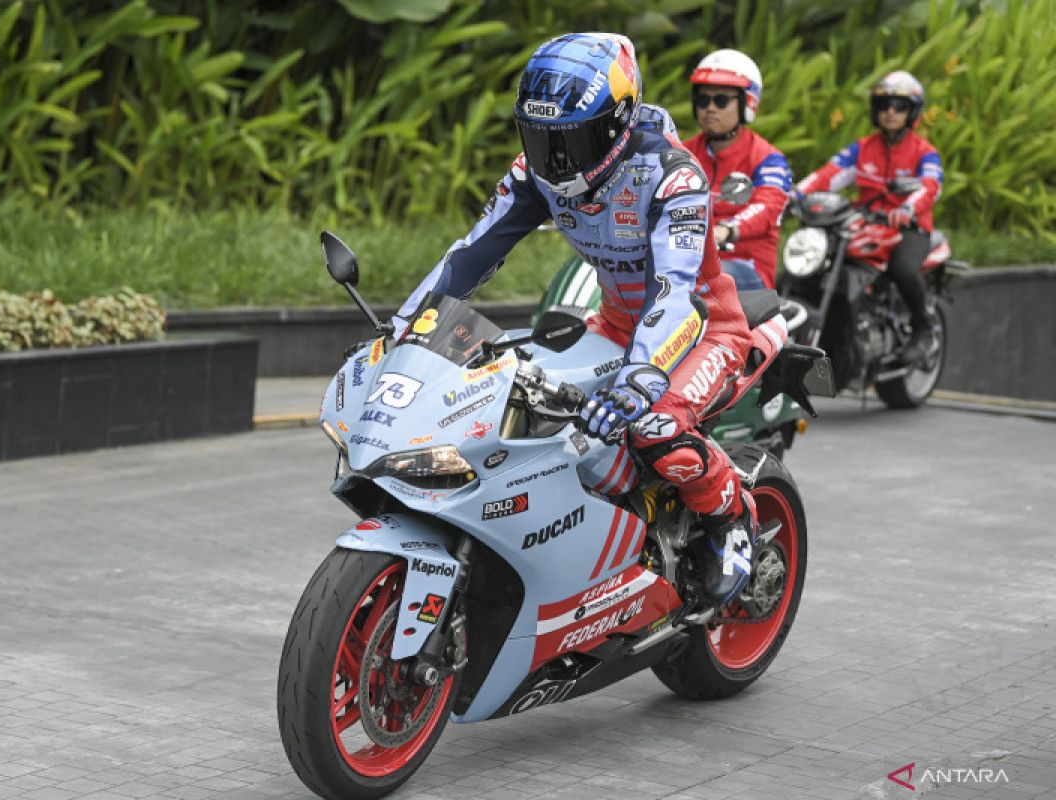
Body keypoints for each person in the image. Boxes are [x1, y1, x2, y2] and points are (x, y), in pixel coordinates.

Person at [392, 33, 759, 605]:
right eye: (540, 138)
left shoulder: (674, 177)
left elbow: (676, 294)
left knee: (655, 429)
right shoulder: (534, 172)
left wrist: (642, 379)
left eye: (572, 139)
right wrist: (405, 326)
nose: (554, 159)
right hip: (615, 324)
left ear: (617, 122)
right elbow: (471, 255)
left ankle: (731, 516)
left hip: (703, 328)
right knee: (524, 405)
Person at [795, 70, 943, 364]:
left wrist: (908, 210)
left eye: (899, 106)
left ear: (912, 112)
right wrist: (793, 195)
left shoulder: (925, 152)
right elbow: (829, 174)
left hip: (910, 228)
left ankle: (924, 329)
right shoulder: (862, 148)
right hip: (866, 223)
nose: (890, 112)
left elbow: (930, 186)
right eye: (884, 105)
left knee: (902, 269)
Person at [683, 49, 792, 291]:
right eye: (703, 100)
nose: (710, 108)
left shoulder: (768, 159)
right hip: (684, 260)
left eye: (721, 100)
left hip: (745, 265)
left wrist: (726, 229)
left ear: (747, 103)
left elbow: (767, 206)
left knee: (695, 283)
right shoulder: (681, 153)